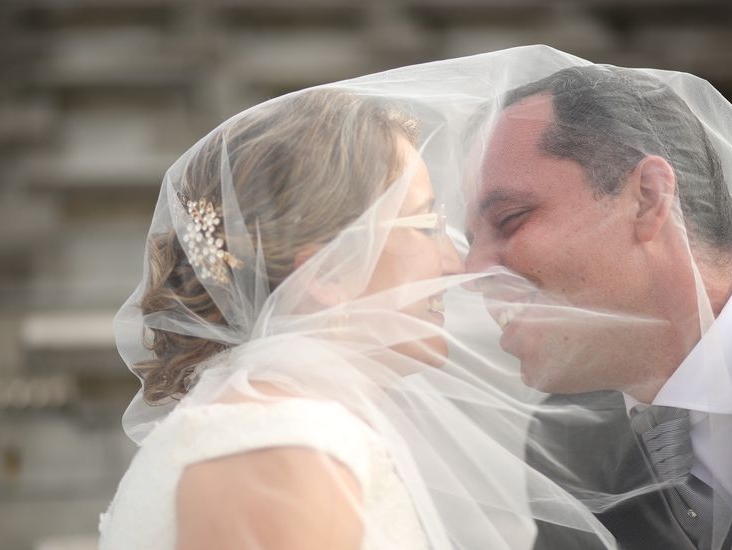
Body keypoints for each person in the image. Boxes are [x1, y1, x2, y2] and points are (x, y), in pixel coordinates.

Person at [99, 85, 611, 550]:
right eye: (426, 224)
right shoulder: (277, 450)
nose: (456, 264)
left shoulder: (283, 428)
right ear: (328, 272)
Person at [465, 63, 732, 549]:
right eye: (470, 241)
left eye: (511, 219)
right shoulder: (566, 438)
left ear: (649, 198)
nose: (473, 270)